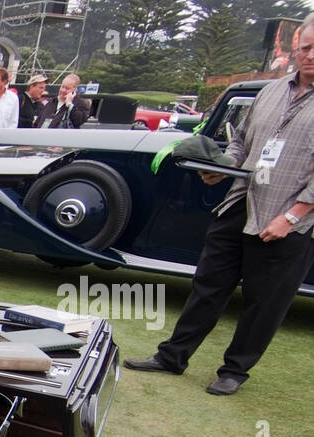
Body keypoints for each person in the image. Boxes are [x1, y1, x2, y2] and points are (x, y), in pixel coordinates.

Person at [124, 15, 314, 396]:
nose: (310, 55)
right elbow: (240, 141)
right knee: (208, 284)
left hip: (287, 217)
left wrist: (293, 217)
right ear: (295, 47)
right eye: (306, 47)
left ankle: (234, 371)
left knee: (266, 301)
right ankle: (172, 356)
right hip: (240, 202)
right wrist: (221, 168)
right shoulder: (272, 91)